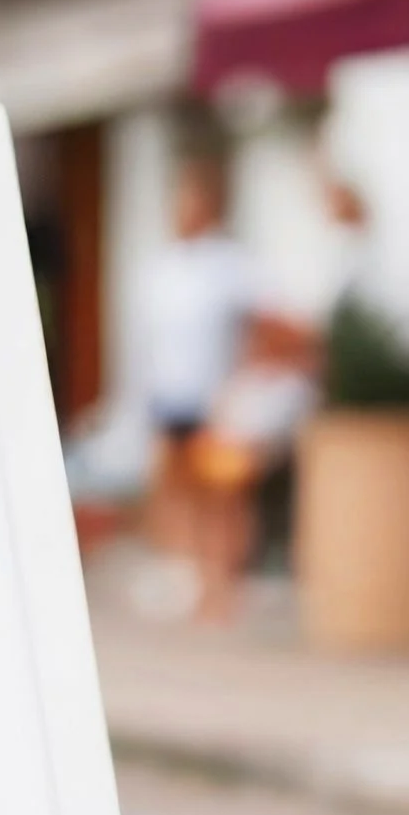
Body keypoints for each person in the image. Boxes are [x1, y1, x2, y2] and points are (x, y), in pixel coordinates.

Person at [136, 158, 257, 622]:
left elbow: (256, 327)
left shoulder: (229, 264)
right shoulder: (162, 267)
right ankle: (188, 578)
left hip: (215, 400)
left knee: (220, 495)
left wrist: (239, 386)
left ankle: (223, 584)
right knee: (175, 492)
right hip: (170, 397)